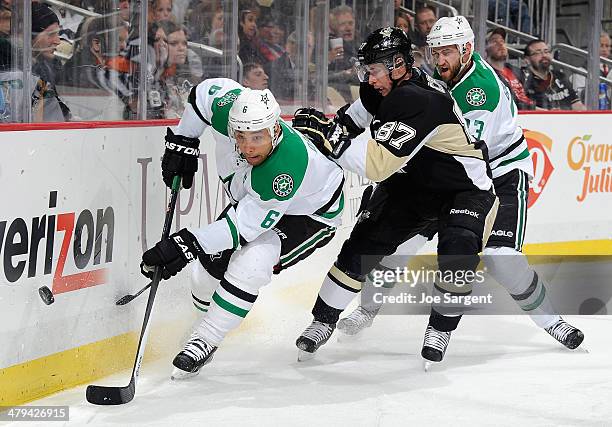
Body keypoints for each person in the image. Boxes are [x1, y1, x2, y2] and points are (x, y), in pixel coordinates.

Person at [337, 18, 585, 362]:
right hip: (450, 174)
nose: (440, 59)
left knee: (502, 260)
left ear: (466, 49)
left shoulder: (480, 91)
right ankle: (367, 309)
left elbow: (462, 146)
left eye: (447, 52)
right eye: (435, 51)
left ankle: (551, 320)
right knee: (399, 243)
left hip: (498, 174)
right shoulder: (440, 74)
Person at [292, 27, 498, 365]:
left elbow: (377, 165)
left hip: (463, 190)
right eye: (367, 70)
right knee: (360, 247)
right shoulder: (383, 90)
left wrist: (327, 138)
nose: (368, 79)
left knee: (458, 246)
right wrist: (325, 132)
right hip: (411, 188)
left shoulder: (419, 99)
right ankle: (322, 321)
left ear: (399, 65)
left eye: (373, 70)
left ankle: (441, 329)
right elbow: (349, 123)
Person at [140, 80, 345, 378]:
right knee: (205, 271)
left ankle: (206, 338)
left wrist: (182, 244)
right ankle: (201, 322)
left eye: (257, 138)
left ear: (275, 130)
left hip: (311, 214)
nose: (248, 147)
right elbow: (203, 94)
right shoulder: (229, 110)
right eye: (241, 137)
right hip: (256, 198)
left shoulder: (284, 168)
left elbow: (240, 230)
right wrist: (184, 140)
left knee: (252, 260)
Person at [31, 2, 71, 121]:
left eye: (58, 34)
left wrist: (70, 117)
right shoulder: (13, 67)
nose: (58, 41)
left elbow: (57, 102)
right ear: (30, 34)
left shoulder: (52, 65)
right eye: (51, 34)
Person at [522, 39, 586, 110]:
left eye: (546, 51)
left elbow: (576, 104)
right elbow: (523, 106)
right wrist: (550, 114)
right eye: (538, 53)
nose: (544, 55)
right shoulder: (523, 79)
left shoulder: (560, 76)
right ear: (527, 60)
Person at [485, 27, 535, 110]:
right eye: (494, 41)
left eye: (502, 41)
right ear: (485, 48)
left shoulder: (516, 71)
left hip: (527, 115)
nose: (500, 44)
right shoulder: (485, 74)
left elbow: (527, 99)